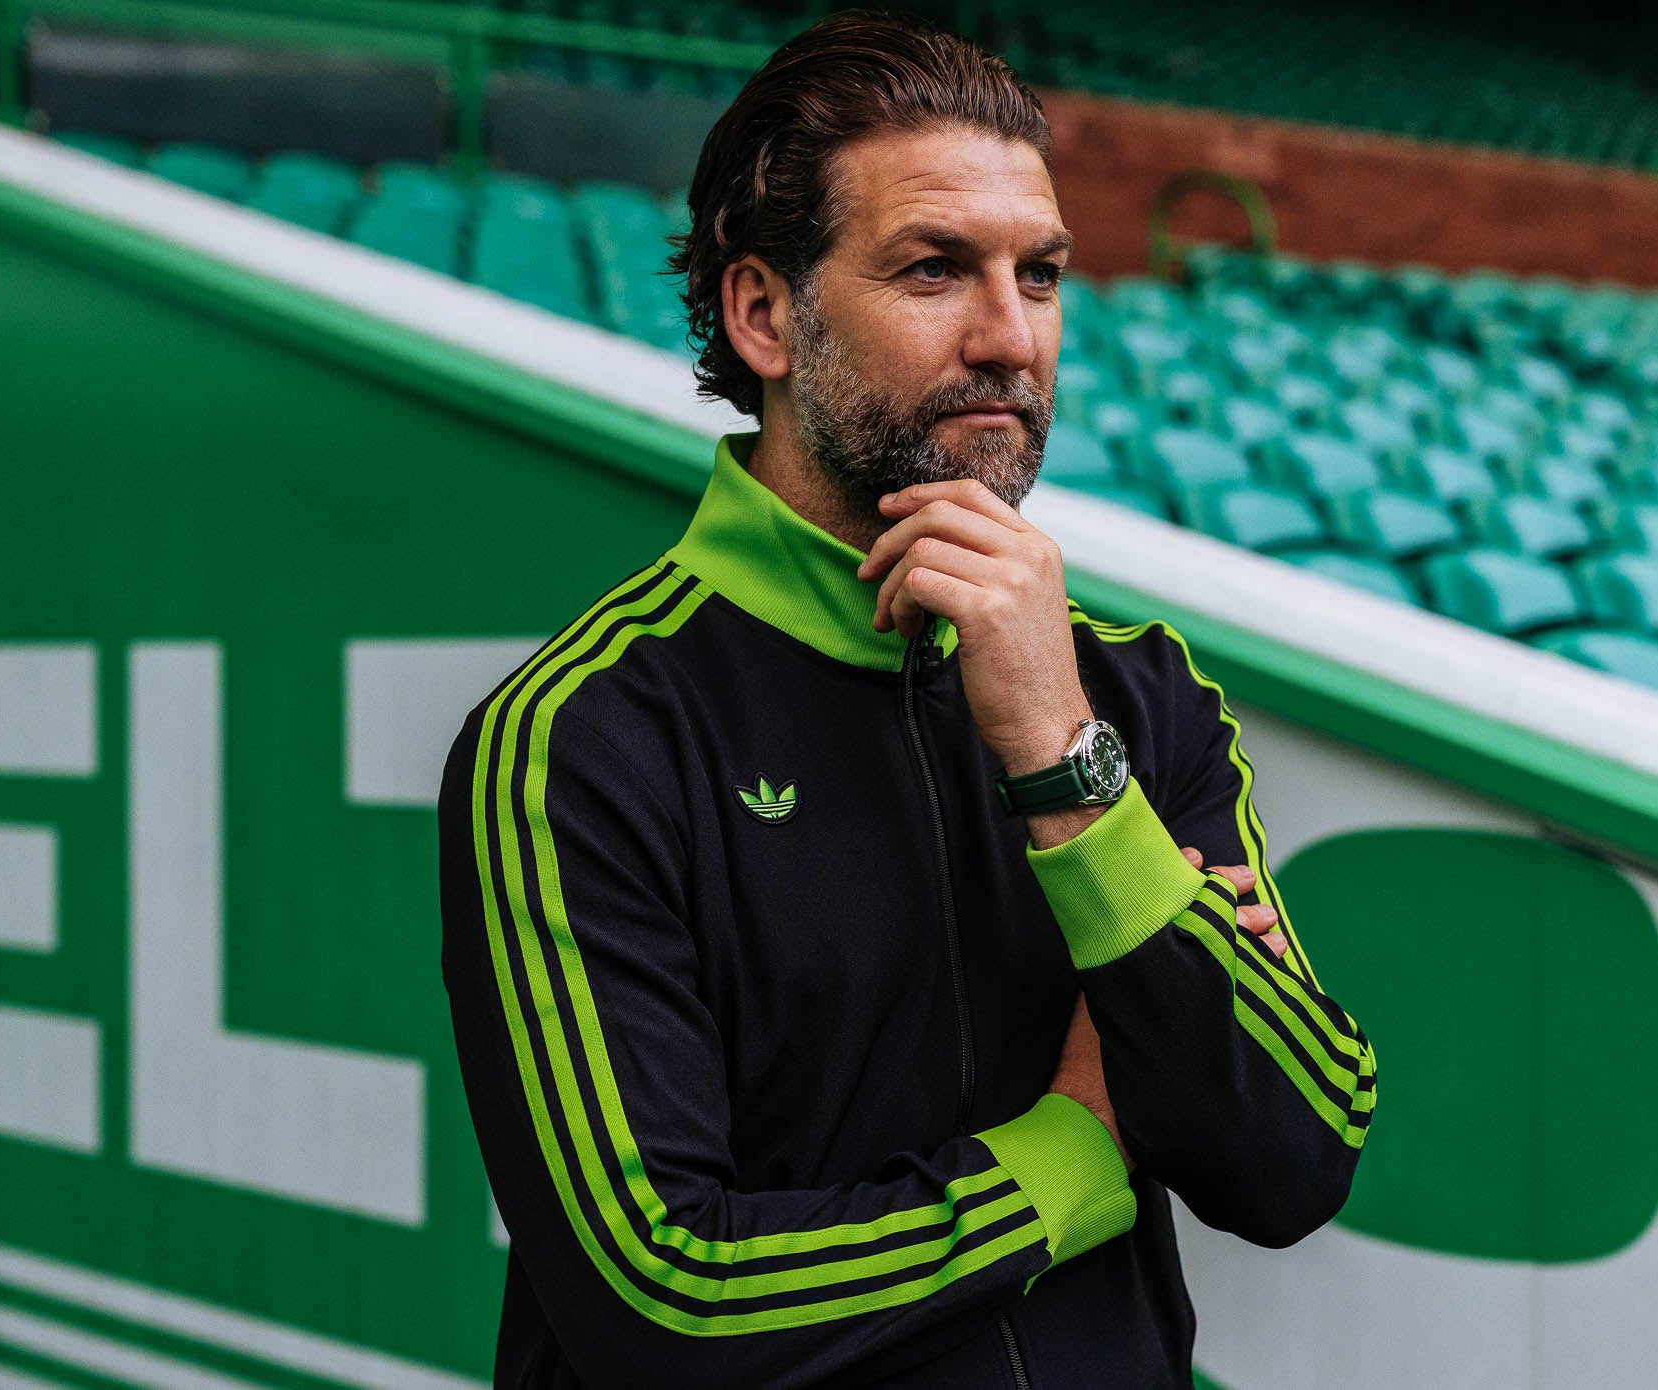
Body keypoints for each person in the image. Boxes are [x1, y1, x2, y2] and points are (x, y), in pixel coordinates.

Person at [435, 11, 1375, 1385]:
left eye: (1040, 274)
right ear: (764, 314)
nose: (1010, 337)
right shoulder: (581, 739)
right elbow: (665, 1304)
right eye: (935, 269)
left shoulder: (1132, 693)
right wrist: (1071, 1155)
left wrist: (1064, 762)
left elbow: (1295, 1155)